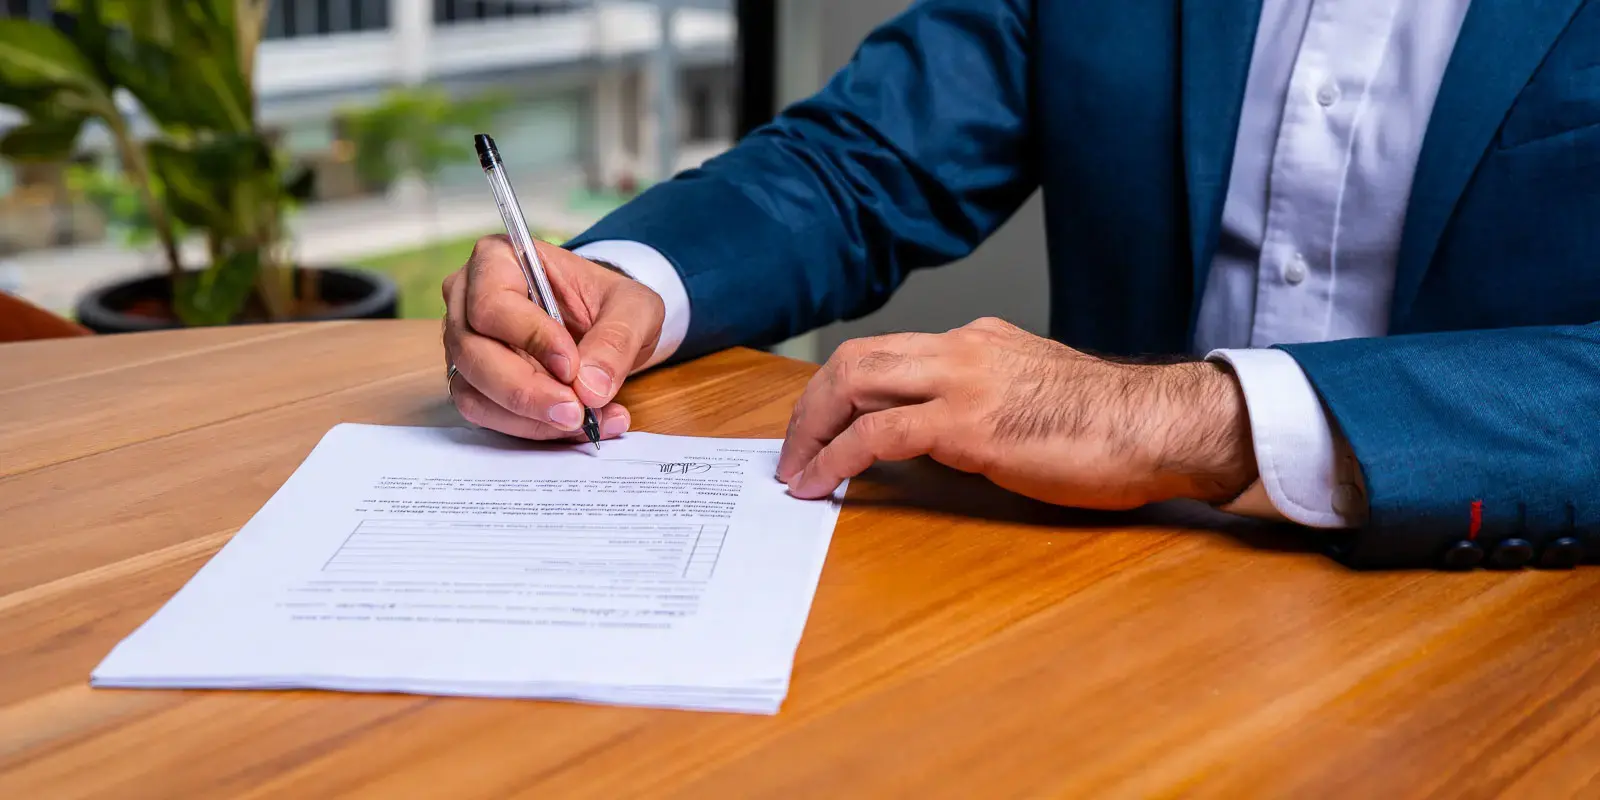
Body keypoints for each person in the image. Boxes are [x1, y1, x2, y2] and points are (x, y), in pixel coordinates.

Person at [441, 0, 1600, 569]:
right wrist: (618, 280)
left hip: (1509, 626)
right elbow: (864, 159)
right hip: (1097, 595)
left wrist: (1192, 415)